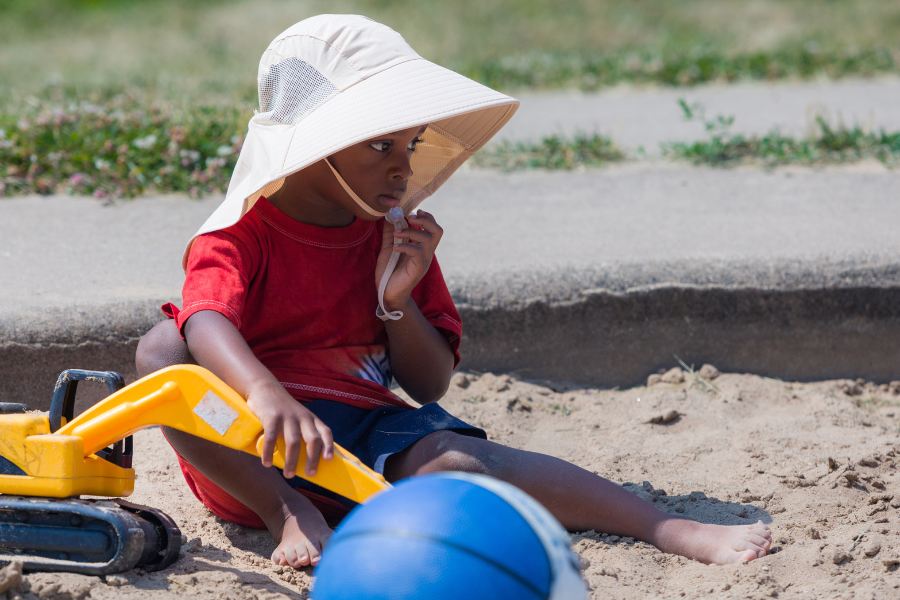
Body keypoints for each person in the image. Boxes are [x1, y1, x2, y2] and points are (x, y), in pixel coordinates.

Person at [136, 14, 772, 570]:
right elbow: (203, 321)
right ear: (312, 147)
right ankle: (290, 513)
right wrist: (264, 392)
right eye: (380, 145)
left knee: (459, 461)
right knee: (160, 351)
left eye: (410, 145)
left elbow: (429, 384)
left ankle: (667, 527)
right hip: (250, 454)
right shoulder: (242, 234)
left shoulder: (393, 238)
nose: (404, 168)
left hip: (364, 444)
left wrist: (396, 302)